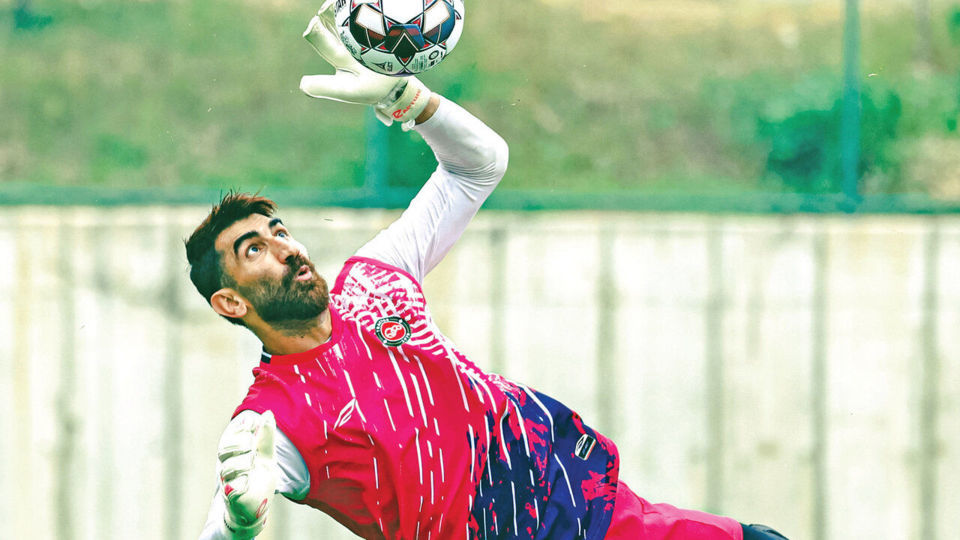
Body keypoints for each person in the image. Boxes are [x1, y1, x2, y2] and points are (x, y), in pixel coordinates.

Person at [192, 4, 788, 539]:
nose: (285, 248)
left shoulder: (373, 281)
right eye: (254, 250)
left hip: (592, 511)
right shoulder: (272, 418)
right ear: (230, 302)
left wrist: (409, 101)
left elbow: (478, 166)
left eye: (279, 232)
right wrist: (241, 522)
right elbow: (221, 522)